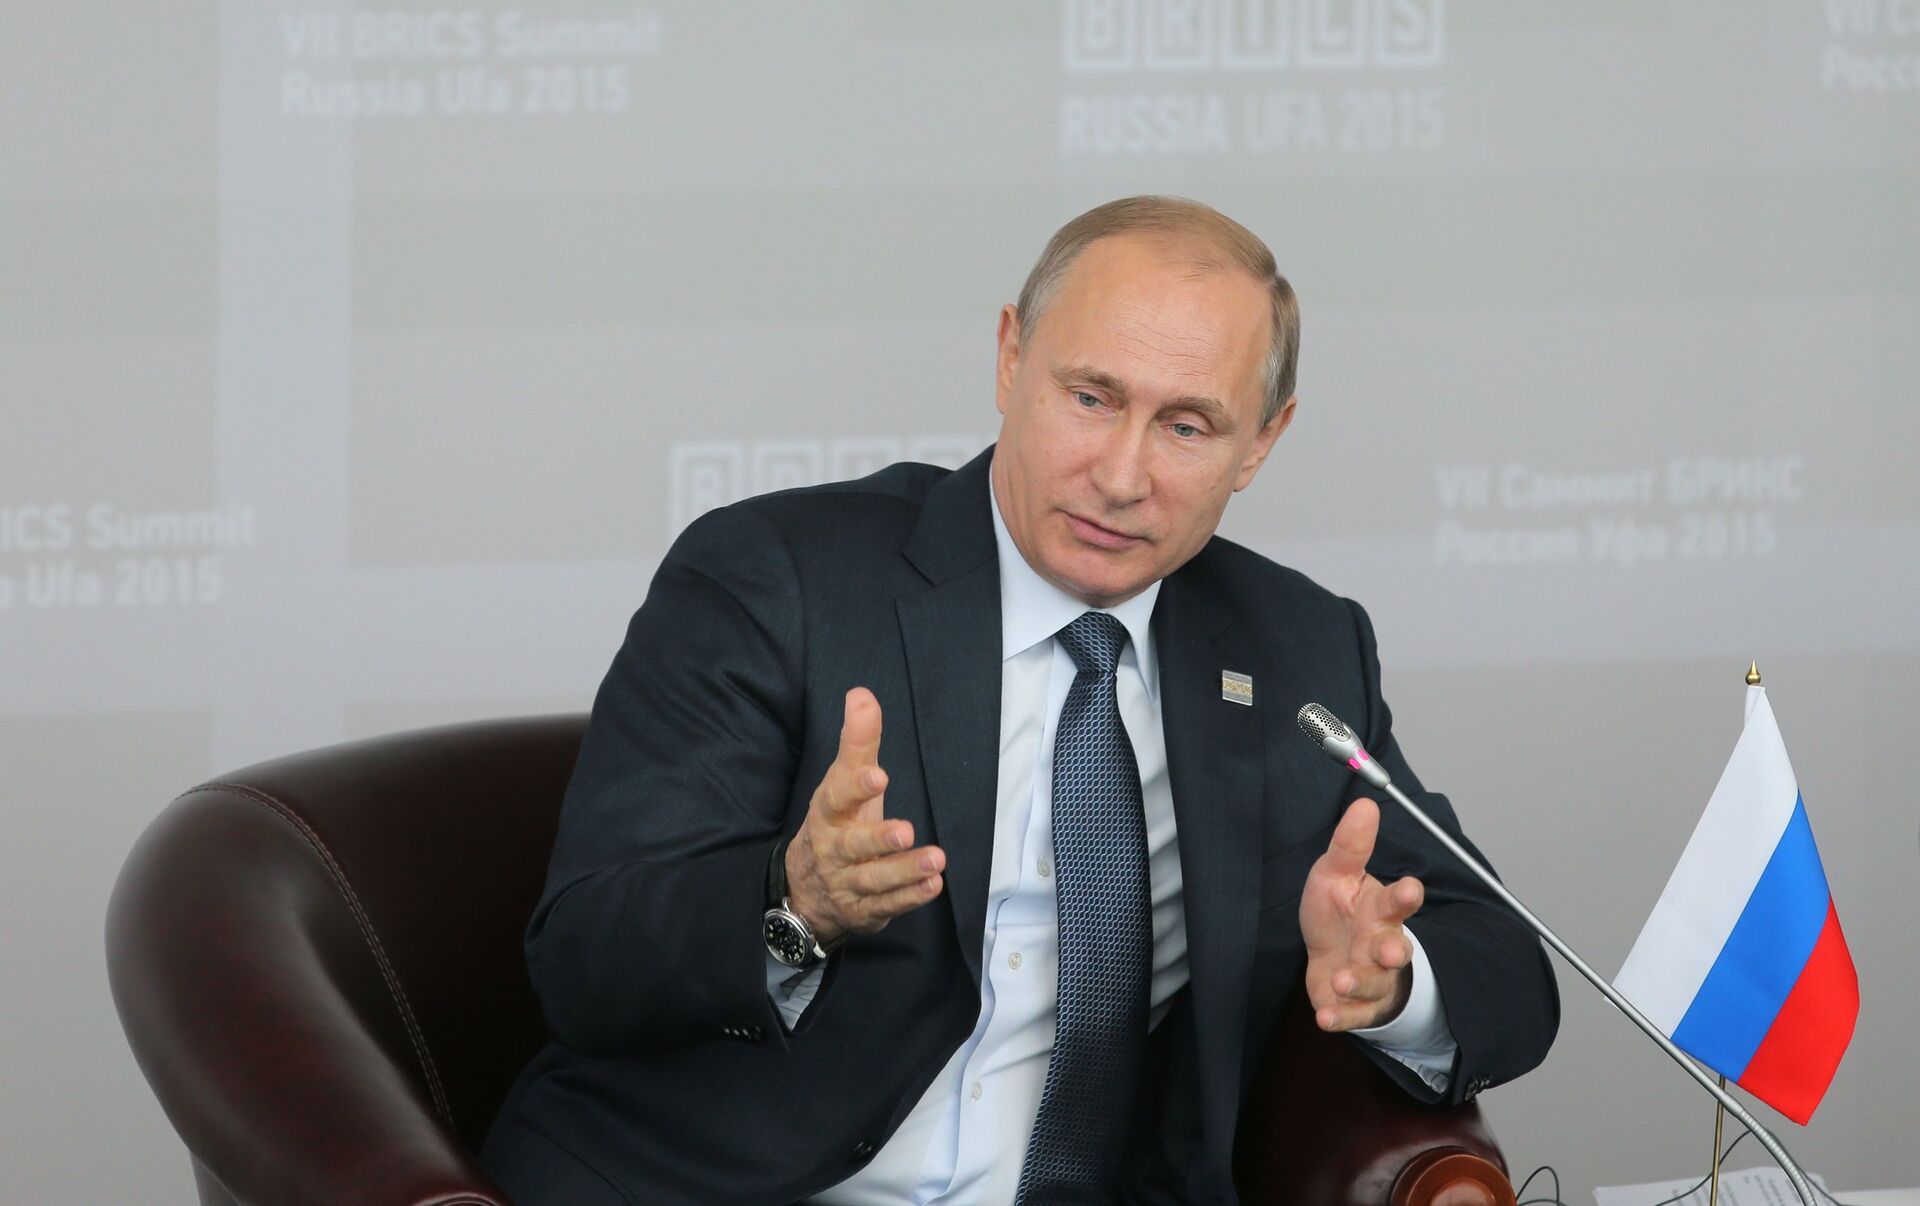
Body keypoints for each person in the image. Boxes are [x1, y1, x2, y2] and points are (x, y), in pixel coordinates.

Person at [477, 196, 1559, 1205]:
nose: (1121, 476)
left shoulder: (1296, 649)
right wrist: (795, 904)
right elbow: (584, 959)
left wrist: (1388, 981)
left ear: (1261, 443)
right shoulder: (780, 581)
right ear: (1009, 358)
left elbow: (1506, 964)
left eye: (1187, 427)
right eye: (1092, 398)